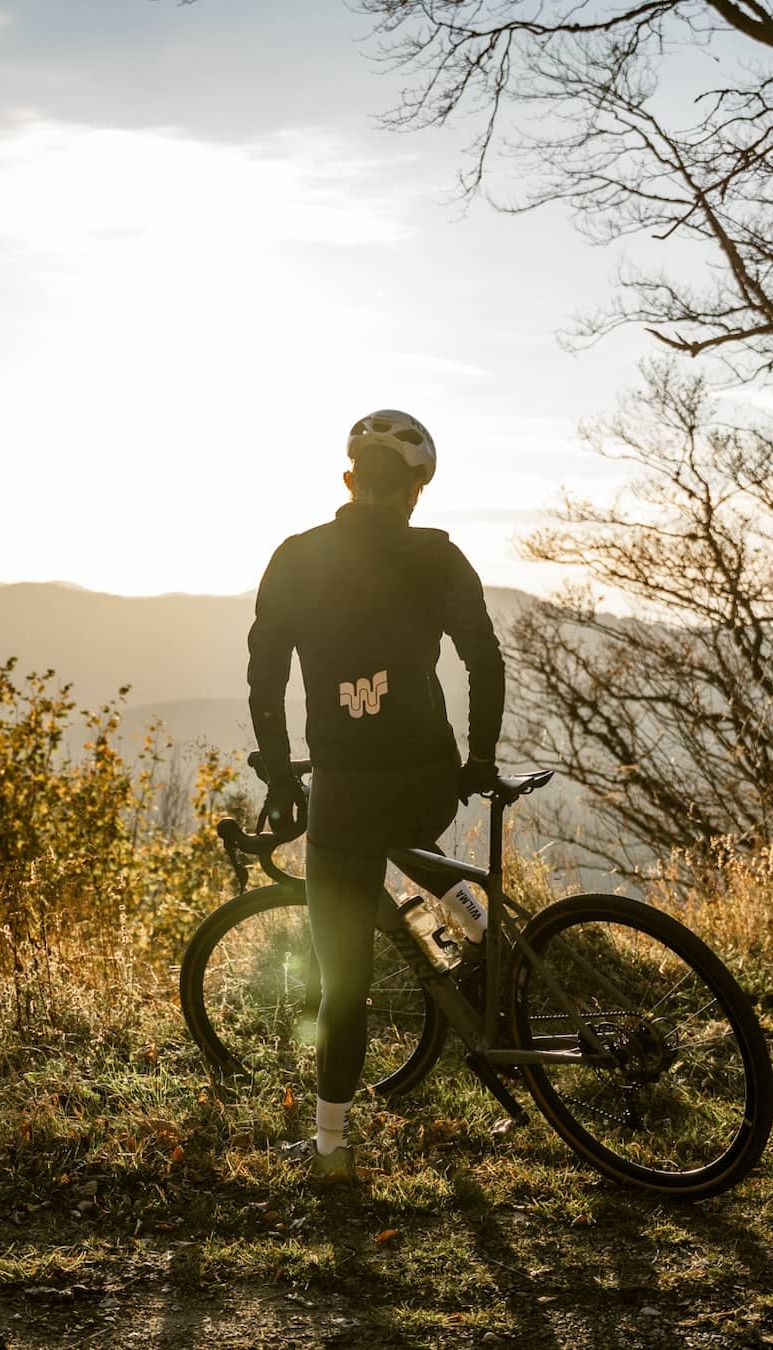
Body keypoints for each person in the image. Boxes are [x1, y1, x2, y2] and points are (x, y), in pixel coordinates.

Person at [245, 408, 504, 1179]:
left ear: (350, 479)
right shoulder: (438, 558)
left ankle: (331, 1147)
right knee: (412, 842)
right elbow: (483, 662)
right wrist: (478, 759)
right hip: (428, 779)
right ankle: (477, 924)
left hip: (345, 789)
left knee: (342, 983)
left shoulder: (296, 557)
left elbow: (265, 673)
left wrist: (282, 771)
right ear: (415, 492)